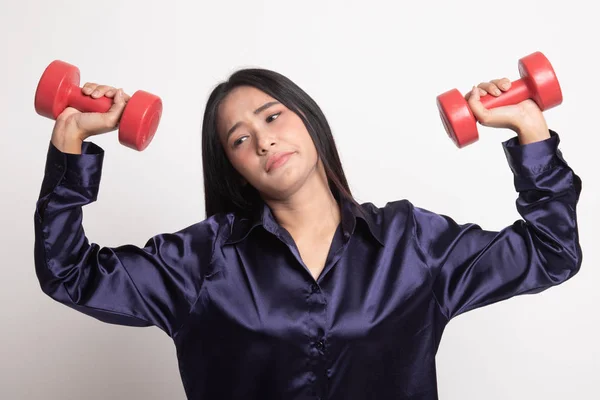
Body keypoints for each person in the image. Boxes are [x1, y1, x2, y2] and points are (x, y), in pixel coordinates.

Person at [34, 67, 583, 400]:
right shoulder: (200, 260)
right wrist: (71, 144)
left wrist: (530, 129)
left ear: (308, 119)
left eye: (272, 118)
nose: (264, 141)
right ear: (234, 168)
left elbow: (551, 252)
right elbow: (68, 273)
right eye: (240, 140)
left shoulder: (410, 243)